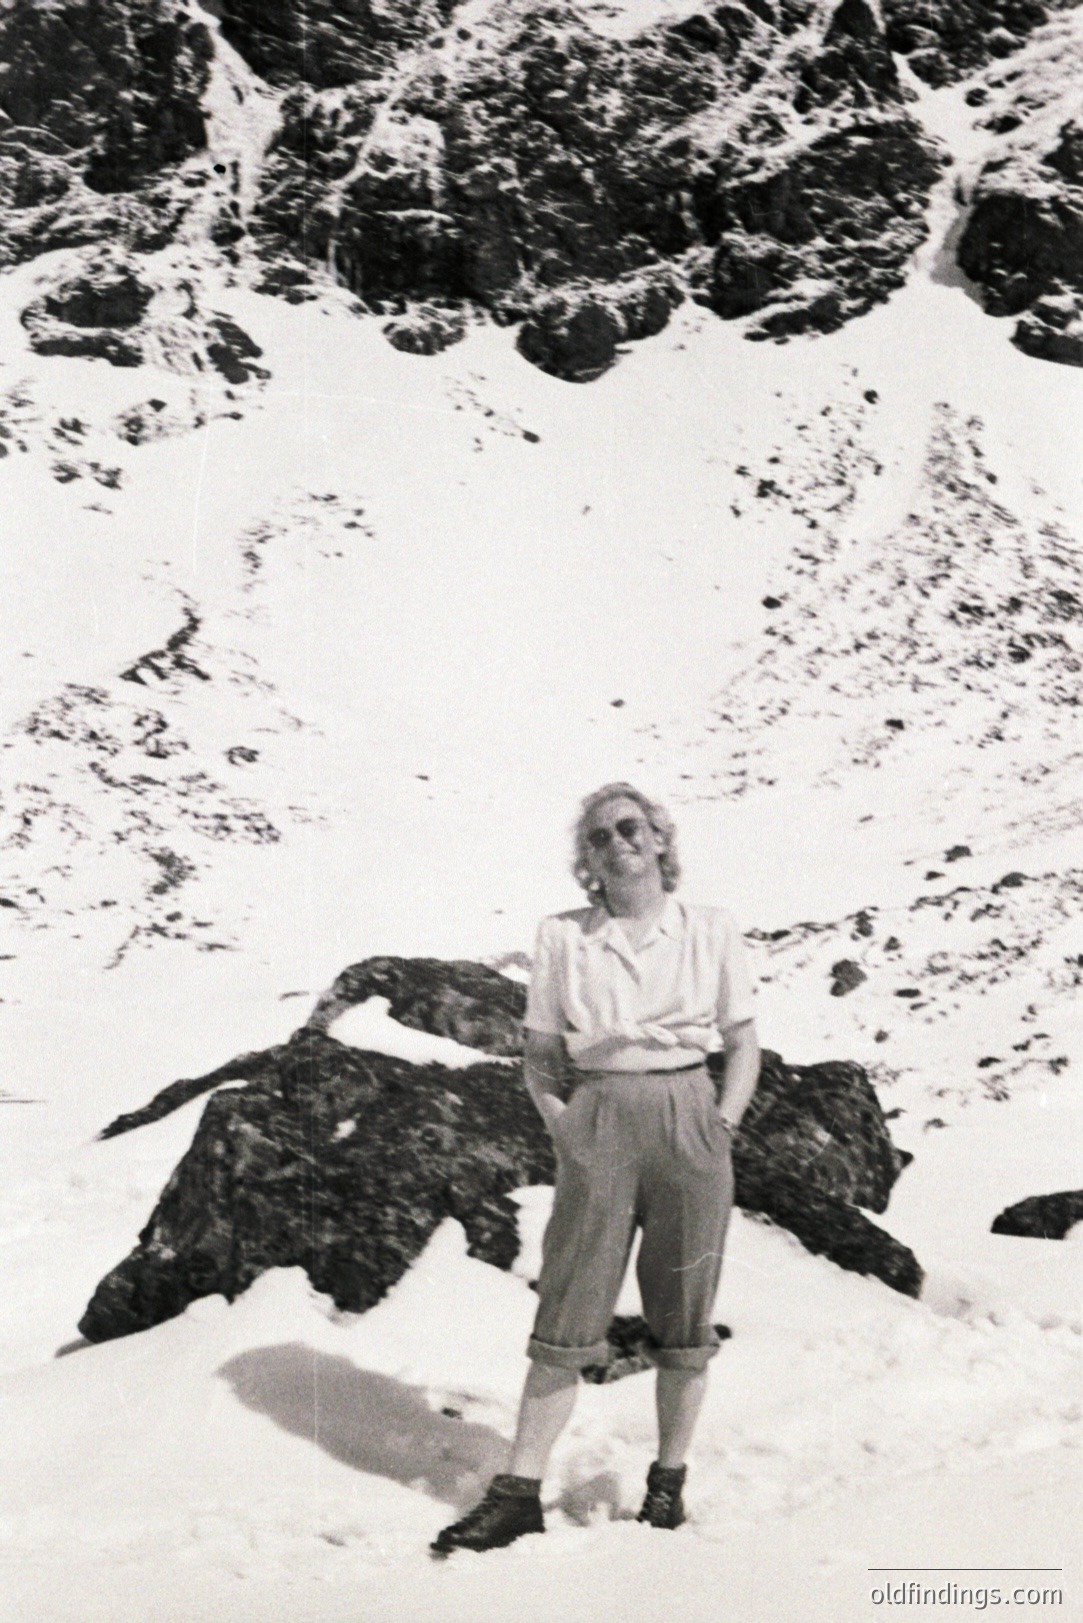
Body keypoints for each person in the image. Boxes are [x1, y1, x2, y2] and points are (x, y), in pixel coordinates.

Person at [432, 782, 760, 1556]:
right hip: (599, 1117)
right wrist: (567, 1127)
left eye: (630, 827)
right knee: (569, 1306)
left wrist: (722, 1123)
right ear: (586, 857)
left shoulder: (708, 928)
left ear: (658, 839)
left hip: (689, 1113)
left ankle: (667, 1484)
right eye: (600, 835)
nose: (617, 842)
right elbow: (541, 1056)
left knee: (683, 1313)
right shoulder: (562, 936)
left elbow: (741, 1039)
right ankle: (517, 1493)